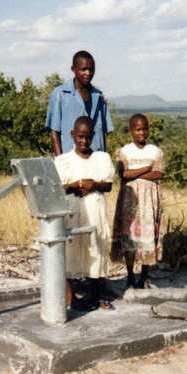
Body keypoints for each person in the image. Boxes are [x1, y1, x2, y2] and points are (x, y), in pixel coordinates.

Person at [54, 116, 115, 310]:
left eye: (88, 137)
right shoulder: (63, 160)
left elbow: (108, 185)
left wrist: (93, 184)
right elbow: (59, 188)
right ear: (72, 135)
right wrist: (77, 184)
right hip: (72, 210)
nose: (84, 141)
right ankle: (70, 297)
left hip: (95, 208)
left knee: (95, 248)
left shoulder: (101, 158)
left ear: (93, 137)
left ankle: (95, 296)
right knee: (70, 249)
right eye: (80, 136)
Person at [110, 113, 165, 289]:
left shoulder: (155, 151)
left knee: (147, 236)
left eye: (145, 128)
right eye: (138, 129)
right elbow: (123, 174)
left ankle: (144, 276)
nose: (142, 132)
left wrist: (136, 172)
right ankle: (130, 276)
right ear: (131, 130)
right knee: (130, 235)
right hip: (130, 199)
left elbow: (159, 174)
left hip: (150, 200)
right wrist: (146, 168)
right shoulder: (124, 151)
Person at [47, 50, 113, 156]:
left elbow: (102, 133)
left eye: (91, 69)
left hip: (96, 159)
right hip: (71, 160)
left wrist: (103, 158)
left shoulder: (99, 97)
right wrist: (61, 161)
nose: (88, 73)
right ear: (73, 69)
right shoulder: (60, 94)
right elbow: (55, 131)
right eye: (83, 69)